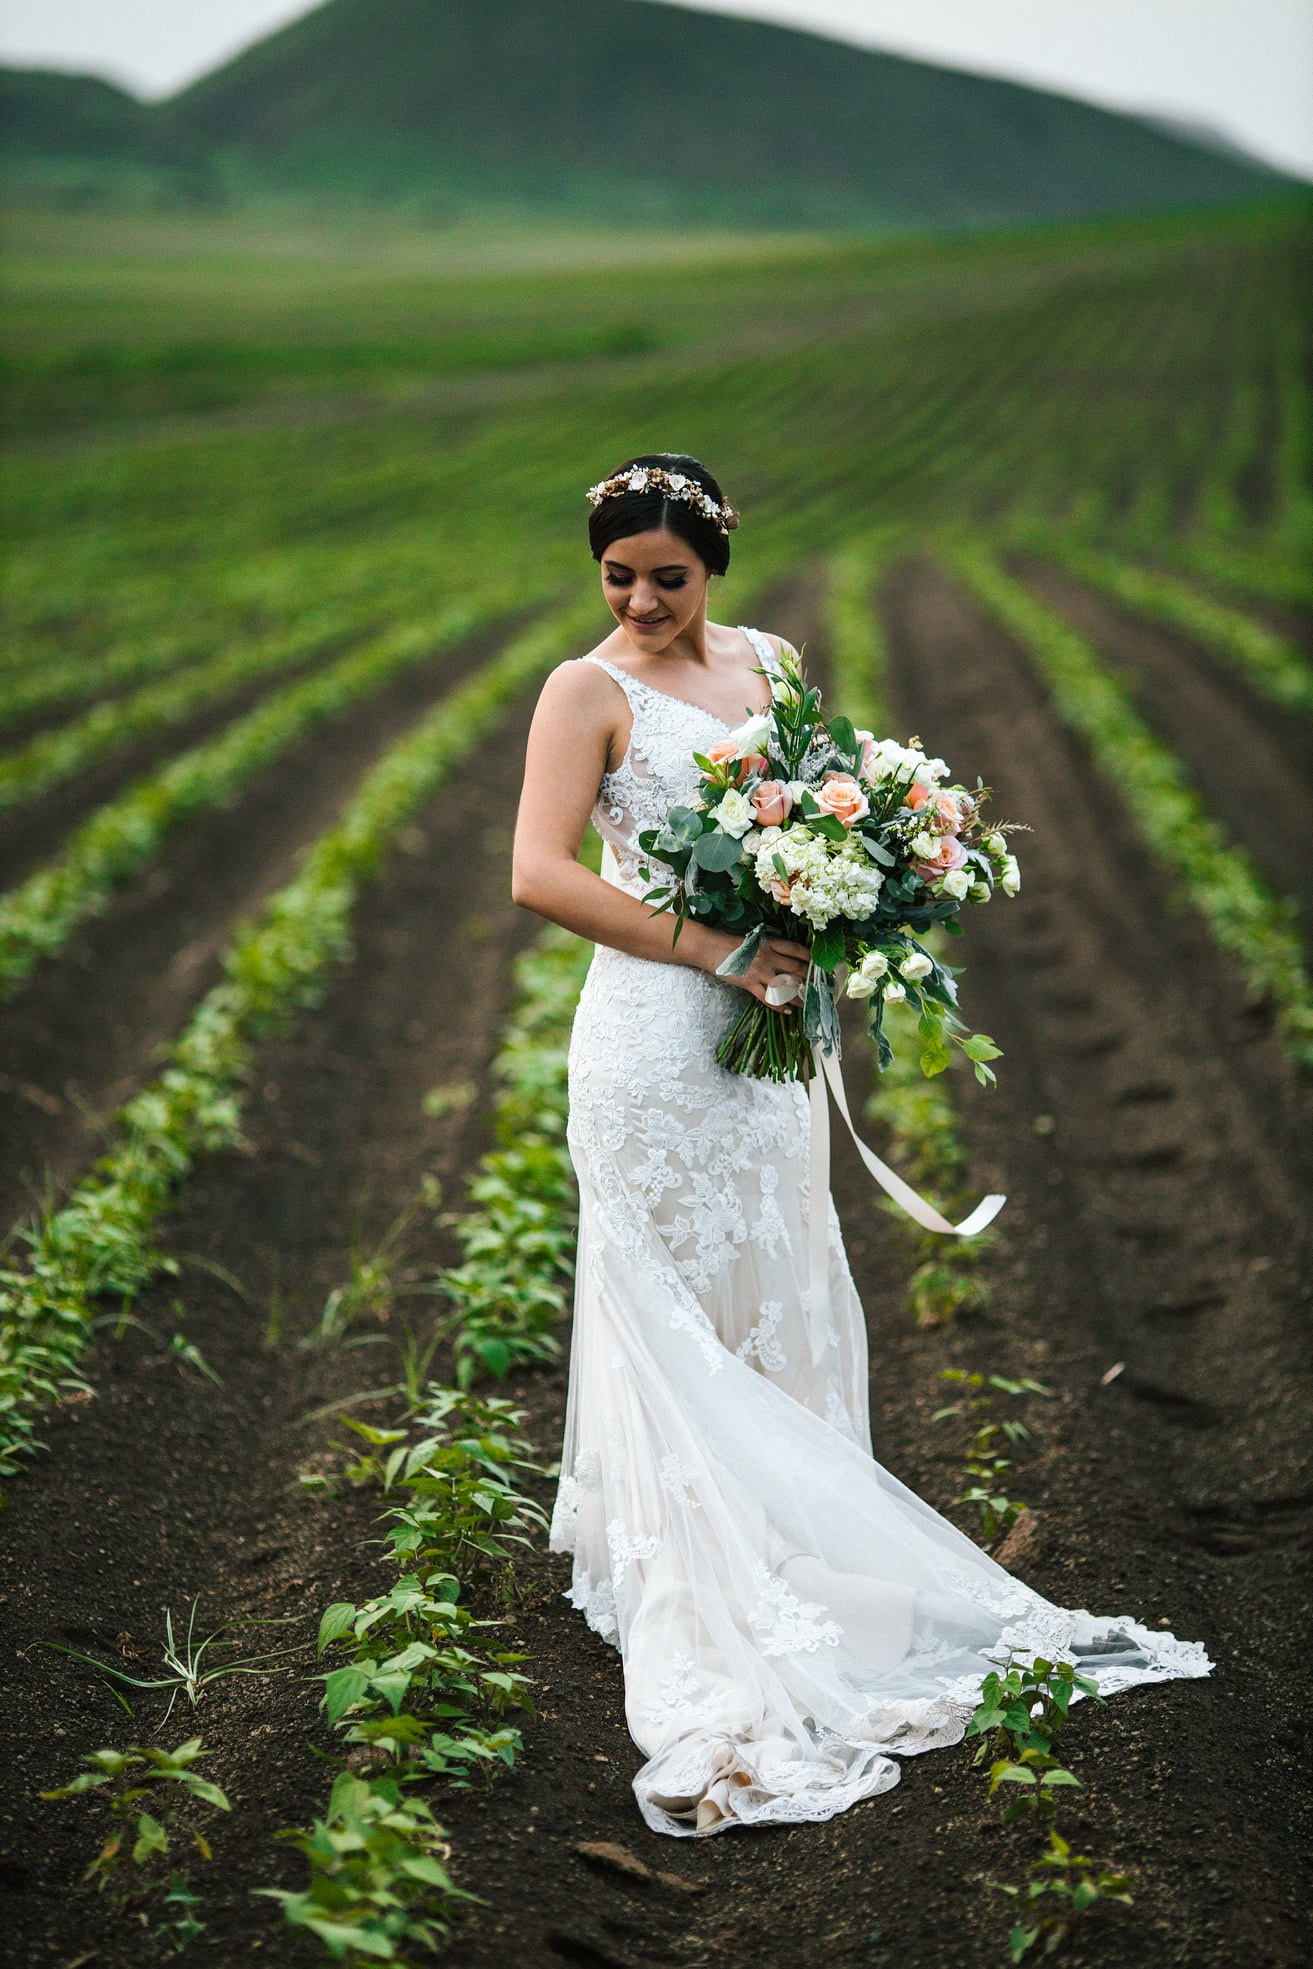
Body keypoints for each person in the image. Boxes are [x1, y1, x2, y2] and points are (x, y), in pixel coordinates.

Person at [510, 451, 1210, 1838]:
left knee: (774, 1272)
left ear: (716, 562)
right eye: (617, 577)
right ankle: (697, 1576)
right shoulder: (581, 692)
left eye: (668, 577)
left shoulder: (773, 664)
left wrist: (843, 910)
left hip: (767, 1035)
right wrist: (715, 945)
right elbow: (539, 870)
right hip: (654, 1039)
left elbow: (805, 822)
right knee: (664, 1299)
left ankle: (788, 1547)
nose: (642, 601)